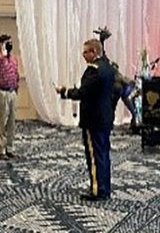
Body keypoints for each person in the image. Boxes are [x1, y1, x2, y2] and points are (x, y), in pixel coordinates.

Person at [55, 39, 115, 201]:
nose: (83, 55)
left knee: (94, 155)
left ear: (94, 52)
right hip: (105, 118)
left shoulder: (93, 70)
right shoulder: (108, 68)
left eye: (85, 52)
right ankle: (105, 187)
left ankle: (97, 190)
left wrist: (65, 92)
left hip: (93, 120)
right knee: (104, 154)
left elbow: (84, 92)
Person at [0, 35, 20, 160]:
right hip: (0, 93)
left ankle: (9, 148)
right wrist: (2, 56)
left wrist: (16, 88)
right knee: (0, 122)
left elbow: (16, 74)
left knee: (11, 122)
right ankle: (0, 150)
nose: (10, 45)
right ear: (1, 44)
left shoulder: (13, 59)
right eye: (7, 43)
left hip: (11, 92)